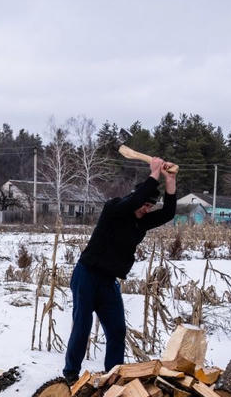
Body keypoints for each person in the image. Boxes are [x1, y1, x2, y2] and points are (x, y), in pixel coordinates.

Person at [63, 156, 177, 381]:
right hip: (87, 275)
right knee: (82, 327)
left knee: (117, 331)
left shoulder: (141, 222)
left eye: (150, 206)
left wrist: (170, 181)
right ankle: (70, 375)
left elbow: (168, 214)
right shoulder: (114, 209)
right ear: (135, 199)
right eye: (144, 205)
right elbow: (137, 199)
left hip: (108, 282)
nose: (146, 210)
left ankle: (113, 376)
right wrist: (154, 173)